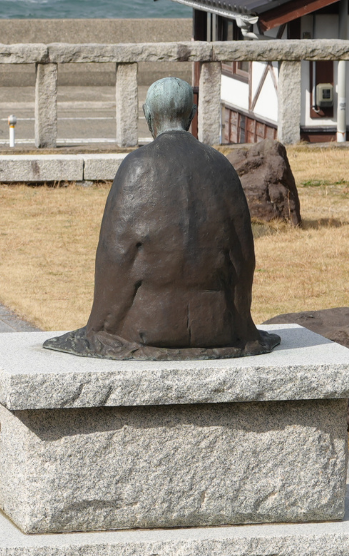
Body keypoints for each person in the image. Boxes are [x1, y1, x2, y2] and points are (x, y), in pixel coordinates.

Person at [44, 77, 274, 360]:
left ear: (148, 115)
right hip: (218, 326)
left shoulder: (137, 167)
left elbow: (118, 260)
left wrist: (99, 328)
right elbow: (242, 259)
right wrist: (242, 327)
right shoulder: (222, 167)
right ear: (191, 115)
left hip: (149, 327)